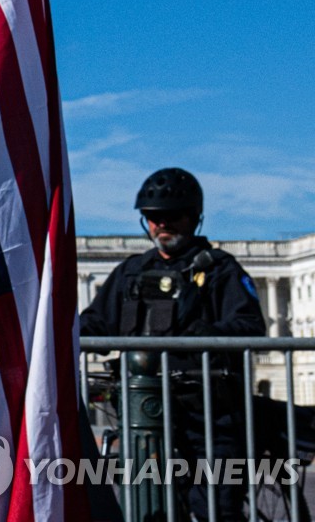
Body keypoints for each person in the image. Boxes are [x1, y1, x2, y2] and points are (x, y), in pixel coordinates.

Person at [80, 167, 266, 521]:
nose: (162, 224)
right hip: (145, 410)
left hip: (208, 412)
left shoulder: (220, 270)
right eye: (154, 217)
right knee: (151, 508)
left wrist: (201, 336)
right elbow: (96, 322)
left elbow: (251, 327)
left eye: (173, 216)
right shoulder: (131, 272)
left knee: (215, 509)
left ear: (193, 218)